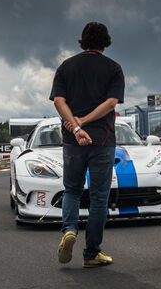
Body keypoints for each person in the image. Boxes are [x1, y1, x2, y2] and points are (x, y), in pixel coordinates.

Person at [49, 21, 125, 268]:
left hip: (72, 140)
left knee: (72, 189)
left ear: (82, 40)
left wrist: (75, 125)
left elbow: (59, 101)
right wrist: (86, 122)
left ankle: (69, 229)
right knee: (99, 197)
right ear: (106, 41)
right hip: (102, 140)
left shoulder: (66, 67)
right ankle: (92, 253)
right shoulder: (114, 68)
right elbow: (112, 102)